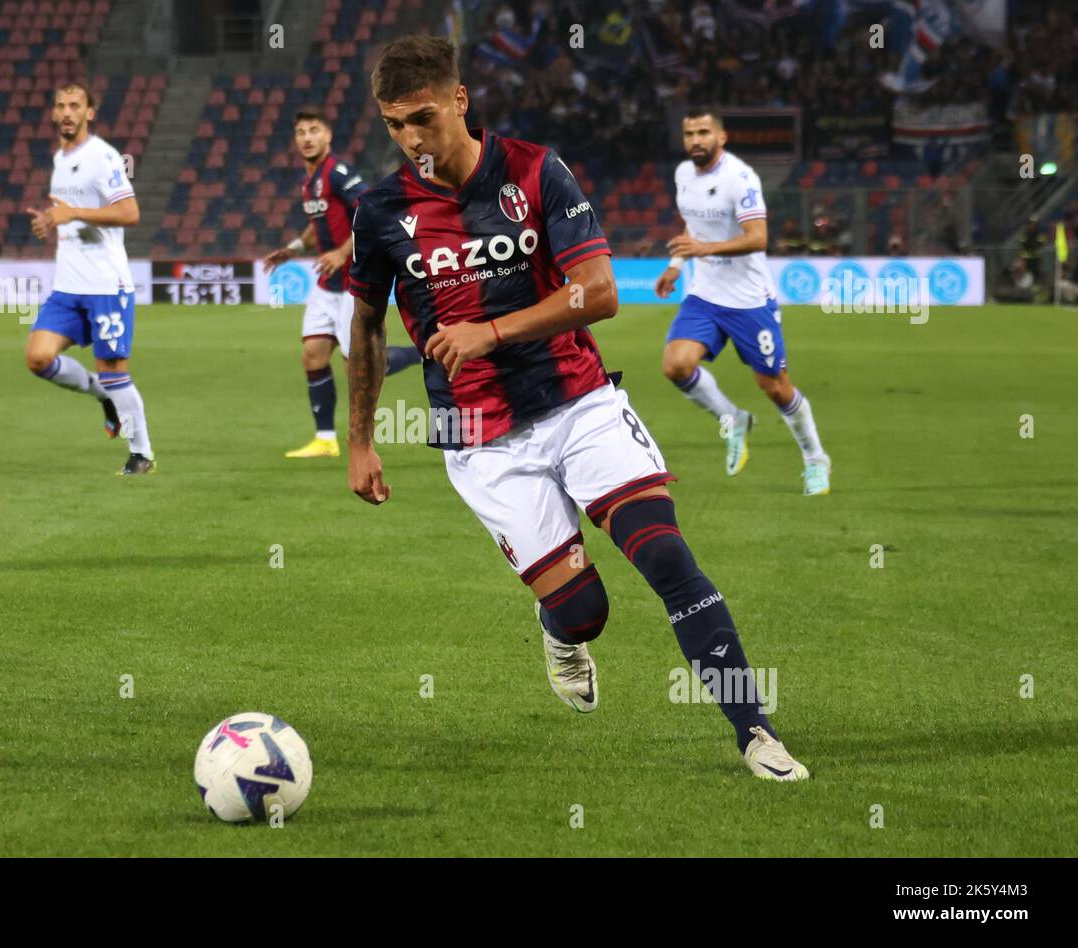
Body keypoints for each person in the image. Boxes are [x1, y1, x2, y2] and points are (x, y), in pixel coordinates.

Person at [346, 36, 808, 780]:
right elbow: (365, 329)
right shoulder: (379, 209)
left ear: (459, 101)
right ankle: (560, 626)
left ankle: (755, 731)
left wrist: (489, 330)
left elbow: (599, 293)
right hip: (478, 438)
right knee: (584, 611)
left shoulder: (533, 170)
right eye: (393, 125)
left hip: (578, 399)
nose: (409, 140)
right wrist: (359, 441)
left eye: (422, 119)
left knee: (664, 555)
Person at [655, 107, 831, 495]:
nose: (695, 140)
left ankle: (815, 459)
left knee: (774, 386)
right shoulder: (684, 174)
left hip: (750, 301)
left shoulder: (740, 178)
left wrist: (704, 248)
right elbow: (692, 225)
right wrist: (676, 264)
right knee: (676, 365)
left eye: (703, 132)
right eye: (689, 133)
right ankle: (733, 419)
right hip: (704, 296)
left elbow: (757, 237)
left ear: (721, 137)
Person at [263, 107, 419, 459]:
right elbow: (315, 223)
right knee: (312, 355)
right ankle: (325, 439)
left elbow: (371, 211)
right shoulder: (309, 180)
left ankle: (419, 354)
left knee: (359, 366)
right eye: (301, 131)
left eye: (314, 130)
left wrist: (341, 251)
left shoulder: (338, 173)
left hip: (353, 284)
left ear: (328, 136)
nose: (306, 137)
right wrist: (292, 249)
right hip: (327, 285)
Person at [24, 80, 153, 475]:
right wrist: (52, 221)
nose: (66, 112)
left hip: (105, 287)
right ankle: (103, 396)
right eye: (60, 105)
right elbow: (70, 212)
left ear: (89, 113)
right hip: (68, 287)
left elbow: (130, 213)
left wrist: (74, 214)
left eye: (75, 105)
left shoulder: (103, 157)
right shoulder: (61, 158)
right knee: (38, 357)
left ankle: (141, 453)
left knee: (116, 372)